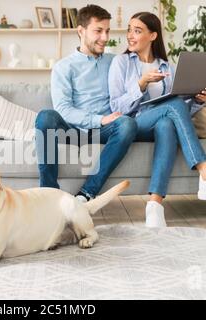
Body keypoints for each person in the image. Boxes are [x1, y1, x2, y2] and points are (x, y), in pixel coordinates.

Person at [108, 12, 206, 227]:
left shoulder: (169, 67)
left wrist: (197, 100)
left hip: (160, 126)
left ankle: (154, 206)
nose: (130, 35)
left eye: (137, 31)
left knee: (168, 121)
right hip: (133, 125)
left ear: (153, 35)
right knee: (172, 108)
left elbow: (181, 112)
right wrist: (141, 84)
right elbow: (116, 107)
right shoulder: (121, 63)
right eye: (129, 30)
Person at [35, 5, 137, 203]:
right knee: (45, 116)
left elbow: (131, 91)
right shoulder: (64, 67)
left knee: (127, 124)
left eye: (107, 31)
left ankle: (86, 194)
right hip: (72, 130)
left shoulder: (115, 61)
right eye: (98, 31)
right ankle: (48, 193)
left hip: (105, 130)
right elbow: (63, 109)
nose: (105, 37)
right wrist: (100, 119)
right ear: (81, 31)